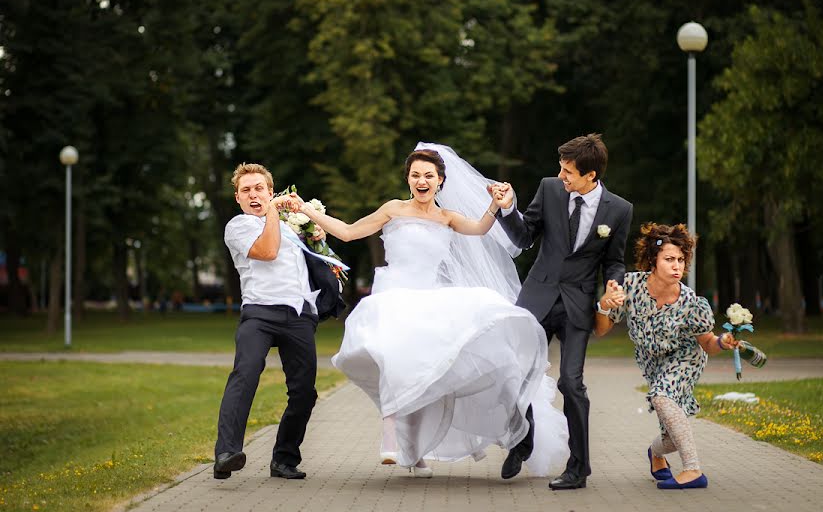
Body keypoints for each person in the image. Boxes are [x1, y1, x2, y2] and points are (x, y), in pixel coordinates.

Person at [296, 144, 568, 479]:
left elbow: (481, 228)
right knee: (390, 359)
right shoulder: (393, 209)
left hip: (430, 300)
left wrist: (496, 207)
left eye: (429, 175)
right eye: (415, 175)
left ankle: (440, 443)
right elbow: (350, 232)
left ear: (440, 181)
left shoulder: (447, 217)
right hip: (393, 296)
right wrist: (307, 212)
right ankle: (391, 437)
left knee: (444, 367)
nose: (421, 181)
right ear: (408, 179)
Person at [489, 133, 634, 490]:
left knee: (572, 383)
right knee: (516, 374)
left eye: (568, 171)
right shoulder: (550, 189)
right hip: (537, 297)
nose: (562, 175)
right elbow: (524, 237)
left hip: (577, 306)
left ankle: (579, 468)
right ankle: (522, 442)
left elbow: (614, 261)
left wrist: (614, 285)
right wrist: (508, 209)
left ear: (591, 176)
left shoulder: (619, 210)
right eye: (561, 168)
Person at [213, 163, 345, 480]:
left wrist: (316, 235)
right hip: (259, 312)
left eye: (260, 188)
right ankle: (226, 453)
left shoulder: (289, 226)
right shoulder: (239, 226)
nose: (253, 194)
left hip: (298, 315)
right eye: (246, 190)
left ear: (270, 191)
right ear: (238, 198)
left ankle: (284, 459)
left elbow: (315, 258)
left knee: (304, 393)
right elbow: (268, 251)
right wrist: (273, 212)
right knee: (245, 374)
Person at [595, 222, 737, 489]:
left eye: (681, 260)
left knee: (661, 397)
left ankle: (693, 470)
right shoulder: (630, 287)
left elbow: (707, 343)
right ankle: (656, 454)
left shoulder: (691, 303)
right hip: (652, 363)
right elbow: (601, 331)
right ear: (652, 260)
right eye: (669, 259)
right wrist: (603, 305)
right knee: (671, 435)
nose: (677, 266)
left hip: (686, 358)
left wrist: (722, 342)